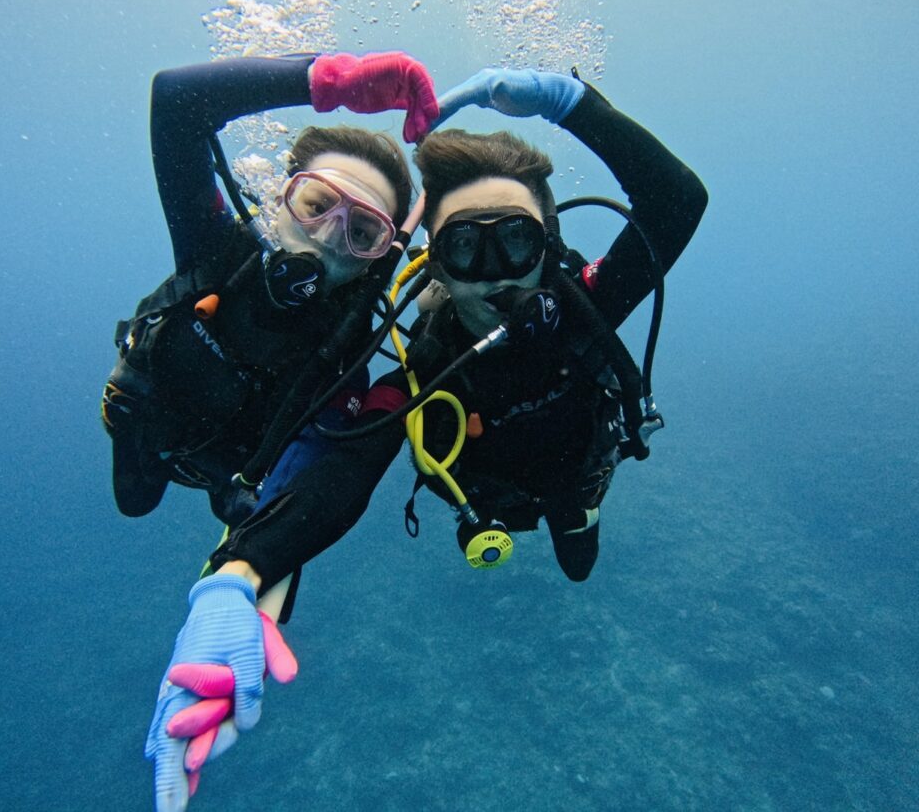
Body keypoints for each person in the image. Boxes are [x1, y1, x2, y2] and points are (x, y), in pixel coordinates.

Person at [144, 66, 708, 810]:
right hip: (479, 491)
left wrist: (577, 106)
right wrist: (238, 576)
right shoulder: (417, 364)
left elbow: (677, 202)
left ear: (549, 245)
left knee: (576, 552)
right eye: (466, 250)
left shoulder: (585, 305)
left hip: (579, 471)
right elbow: (339, 470)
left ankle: (578, 514)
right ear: (434, 262)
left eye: (516, 240)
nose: (495, 274)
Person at [101, 52, 437, 527]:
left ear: (377, 260)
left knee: (236, 508)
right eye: (317, 204)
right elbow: (177, 102)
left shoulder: (349, 353)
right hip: (146, 429)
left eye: (362, 233)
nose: (325, 236)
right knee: (134, 502)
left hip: (236, 475)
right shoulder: (216, 249)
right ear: (281, 200)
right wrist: (329, 81)